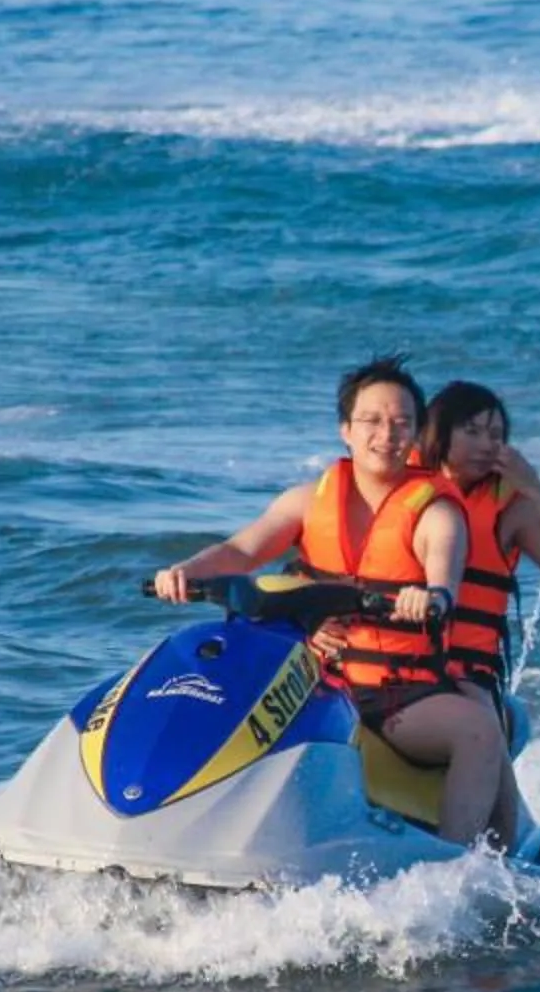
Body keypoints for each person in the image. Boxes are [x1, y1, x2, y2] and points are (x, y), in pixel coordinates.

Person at [150, 356, 508, 847]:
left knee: (479, 732)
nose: (388, 433)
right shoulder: (307, 500)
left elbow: (444, 567)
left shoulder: (436, 512)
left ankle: (455, 867)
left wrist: (430, 595)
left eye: (403, 422)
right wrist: (186, 572)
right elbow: (241, 550)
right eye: (373, 421)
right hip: (308, 677)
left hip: (393, 695)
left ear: (418, 433)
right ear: (346, 430)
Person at [415, 380, 540, 849]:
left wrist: (536, 493)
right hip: (392, 660)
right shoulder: (403, 491)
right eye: (471, 431)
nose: (487, 444)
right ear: (437, 433)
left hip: (465, 673)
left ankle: (487, 866)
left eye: (496, 433)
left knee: (496, 782)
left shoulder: (508, 508)